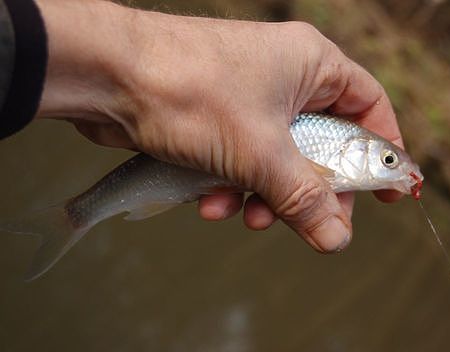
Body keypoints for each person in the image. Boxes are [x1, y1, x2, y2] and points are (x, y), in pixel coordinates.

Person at [0, 0, 403, 254]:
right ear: (353, 149)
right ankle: (76, 214)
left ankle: (75, 215)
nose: (393, 168)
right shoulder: (323, 157)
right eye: (388, 159)